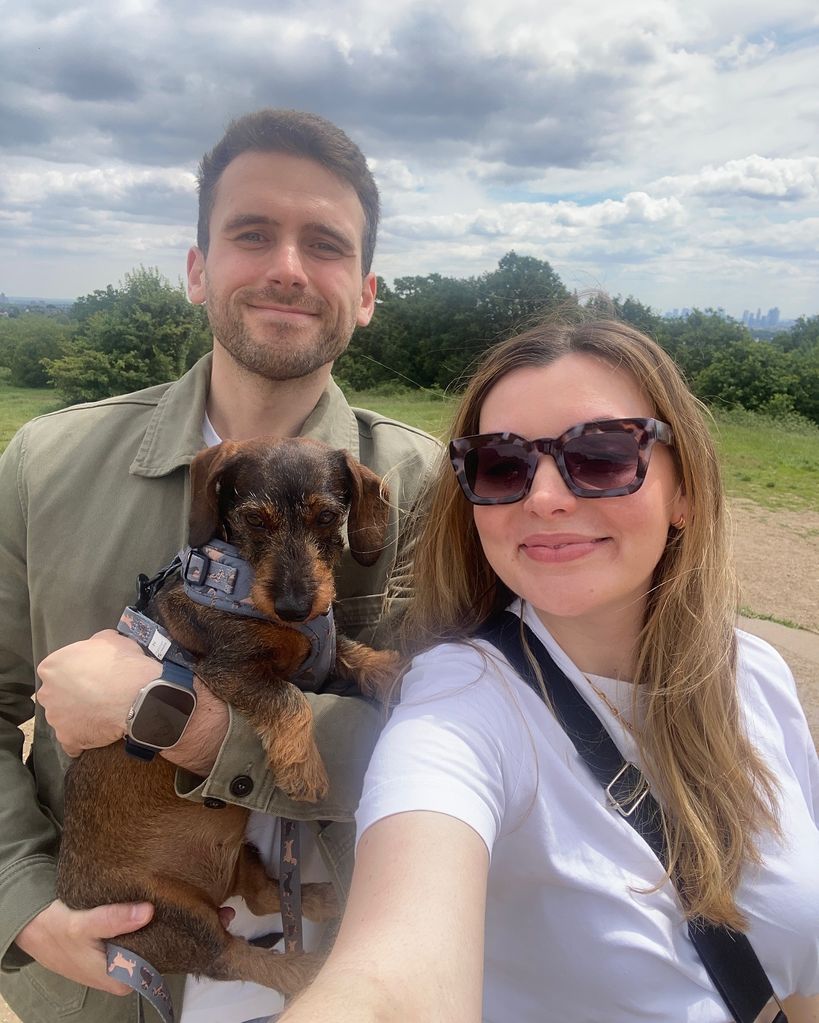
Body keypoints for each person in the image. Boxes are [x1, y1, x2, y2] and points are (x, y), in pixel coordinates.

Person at [0, 109, 438, 1023]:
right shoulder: (44, 463)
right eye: (251, 233)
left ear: (363, 291)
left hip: (348, 979)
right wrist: (17, 898)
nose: (286, 265)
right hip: (100, 985)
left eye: (323, 243)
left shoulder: (426, 487)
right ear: (198, 270)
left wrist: (185, 722)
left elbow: (462, 747)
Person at [277, 319, 819, 1023]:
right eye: (500, 465)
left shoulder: (756, 674)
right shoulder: (462, 705)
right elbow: (388, 982)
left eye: (599, 454)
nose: (543, 497)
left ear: (682, 491)